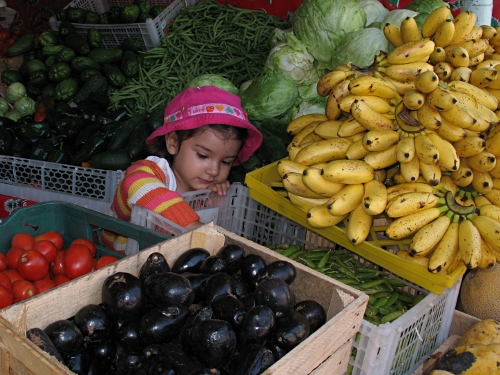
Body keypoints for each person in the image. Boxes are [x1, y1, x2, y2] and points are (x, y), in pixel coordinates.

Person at [101, 86, 263, 252]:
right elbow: (134, 183)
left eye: (226, 162)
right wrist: (195, 227)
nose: (214, 170)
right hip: (114, 256)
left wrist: (212, 201)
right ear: (173, 142)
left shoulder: (205, 190)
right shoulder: (153, 171)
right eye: (202, 155)